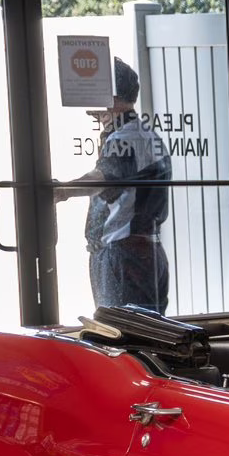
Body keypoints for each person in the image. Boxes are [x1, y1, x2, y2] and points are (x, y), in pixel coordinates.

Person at [60, 58, 171, 312]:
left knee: (119, 336)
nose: (92, 111)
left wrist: (61, 191)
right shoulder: (146, 134)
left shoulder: (124, 138)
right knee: (147, 331)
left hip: (123, 255)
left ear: (110, 97)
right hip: (143, 253)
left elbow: (103, 178)